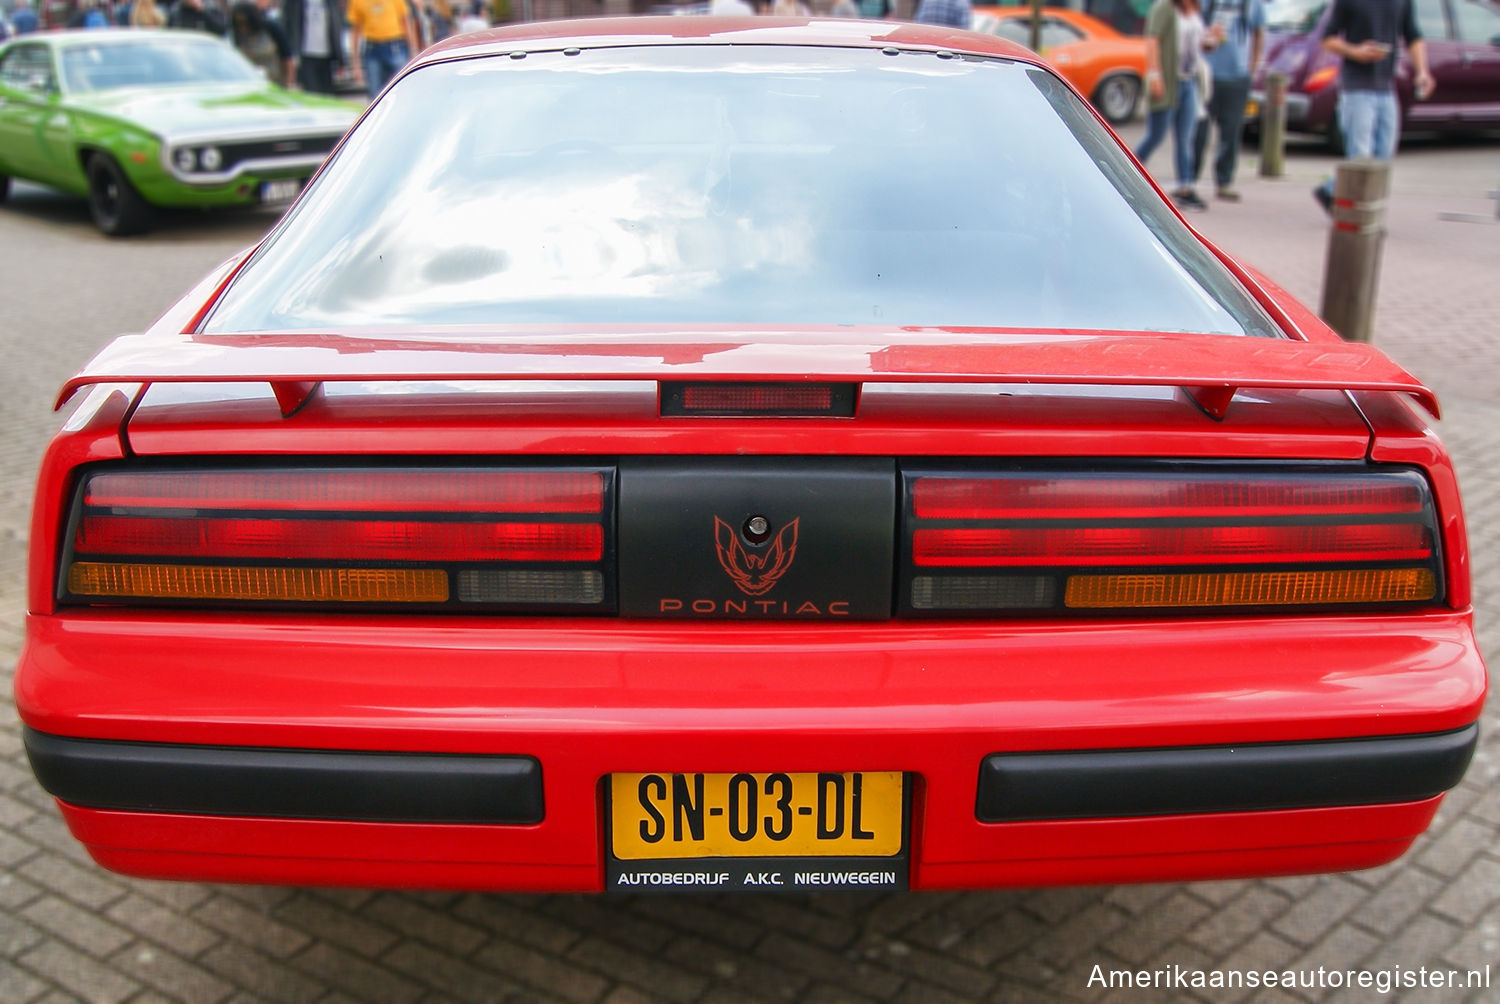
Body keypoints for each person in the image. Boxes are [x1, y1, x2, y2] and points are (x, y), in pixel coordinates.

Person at [1312, 0, 1431, 213]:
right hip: (1356, 88)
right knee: (1360, 157)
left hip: (1386, 87)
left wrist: (1422, 72)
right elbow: (1327, 39)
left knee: (1384, 156)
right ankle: (1358, 216)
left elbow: (1413, 35)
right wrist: (1355, 51)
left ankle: (1330, 191)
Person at [1135, 0, 1211, 211]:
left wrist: (1209, 42)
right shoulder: (1164, 8)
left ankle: (1185, 188)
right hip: (1169, 81)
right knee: (1156, 135)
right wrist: (1154, 74)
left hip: (1189, 81)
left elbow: (1195, 42)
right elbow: (1152, 40)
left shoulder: (1194, 9)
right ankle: (1127, 172)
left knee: (1185, 137)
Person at [1190, 0, 1264, 202]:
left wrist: (1252, 68)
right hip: (1206, 75)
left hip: (1237, 77)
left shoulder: (1252, 4)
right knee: (1199, 131)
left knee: (1231, 132)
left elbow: (1258, 32)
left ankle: (1224, 181)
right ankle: (1189, 181)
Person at [347, 0, 419, 99]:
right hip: (373, 48)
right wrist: (355, 63)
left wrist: (413, 49)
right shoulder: (357, 2)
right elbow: (355, 30)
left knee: (403, 90)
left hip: (395, 46)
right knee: (376, 96)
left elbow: (405, 21)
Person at [281, 0, 346, 95]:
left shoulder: (330, 3)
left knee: (328, 96)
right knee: (312, 94)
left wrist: (340, 60)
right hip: (306, 55)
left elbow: (336, 29)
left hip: (326, 56)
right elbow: (289, 26)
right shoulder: (295, 3)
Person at [231, 2, 294, 86]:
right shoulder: (238, 35)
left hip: (275, 80)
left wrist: (289, 82)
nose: (243, 27)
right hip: (249, 82)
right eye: (238, 23)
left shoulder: (271, 28)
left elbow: (287, 57)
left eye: (245, 22)